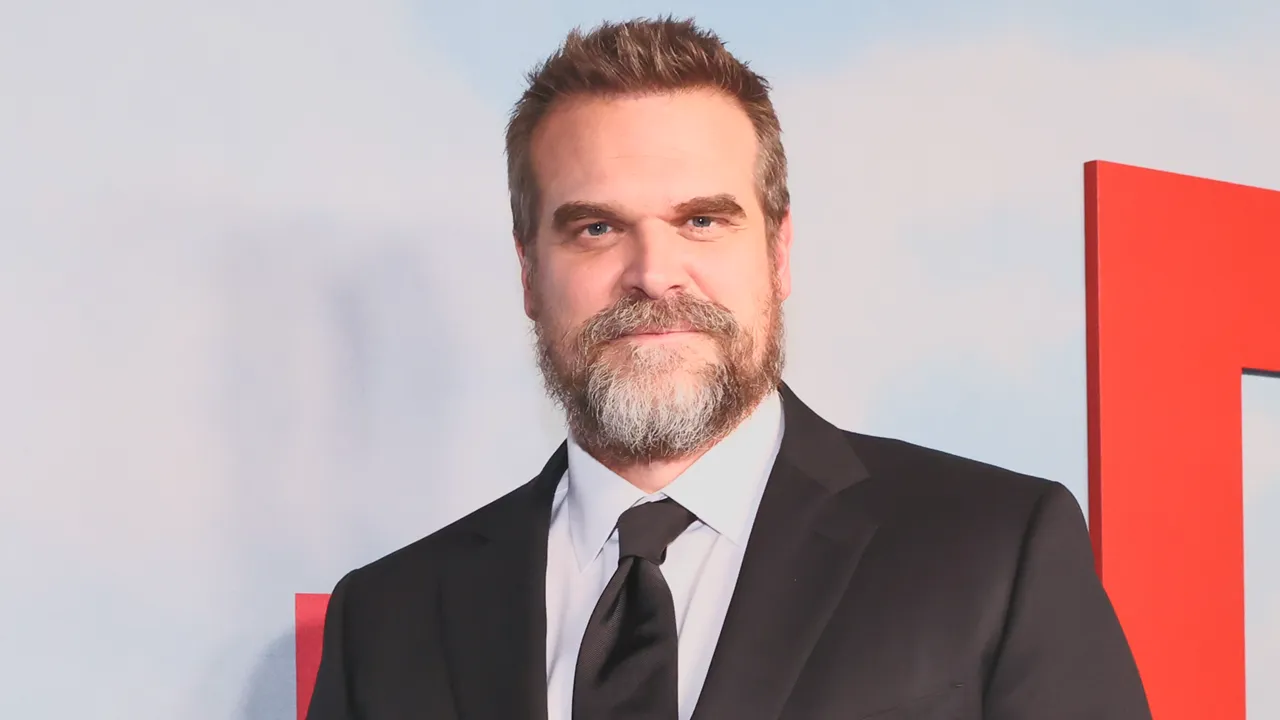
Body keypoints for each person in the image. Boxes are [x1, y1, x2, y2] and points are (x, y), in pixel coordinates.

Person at [306, 16, 1151, 720]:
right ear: (529, 273)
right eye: (596, 228)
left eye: (702, 221)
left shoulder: (993, 551)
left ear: (779, 254)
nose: (653, 273)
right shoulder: (385, 620)